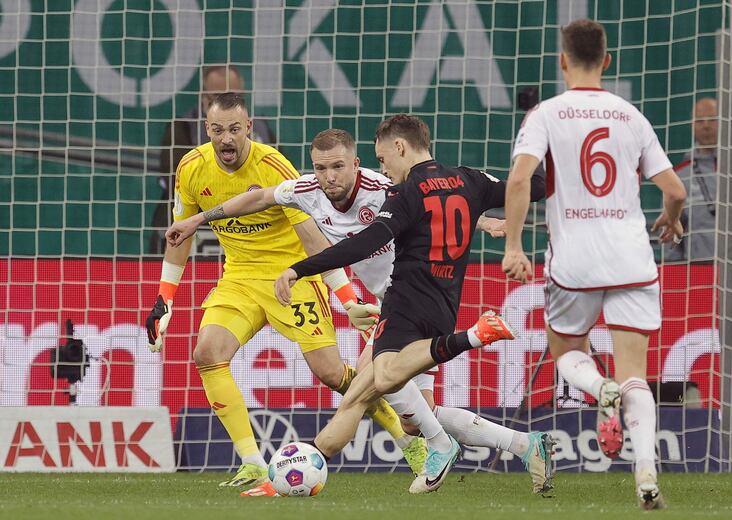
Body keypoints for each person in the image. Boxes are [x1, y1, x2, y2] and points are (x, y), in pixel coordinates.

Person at [166, 128, 552, 494]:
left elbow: (428, 208)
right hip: (393, 304)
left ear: (357, 164)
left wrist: (481, 220)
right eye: (320, 168)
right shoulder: (307, 190)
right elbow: (259, 198)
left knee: (372, 384)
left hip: (413, 300)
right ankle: (523, 444)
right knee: (415, 414)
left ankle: (435, 444)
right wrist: (198, 219)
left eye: (338, 167)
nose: (329, 177)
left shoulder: (385, 188)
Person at [145, 93, 411, 495]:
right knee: (207, 354)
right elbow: (180, 234)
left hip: (292, 277)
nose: (226, 138)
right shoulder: (191, 168)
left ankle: (410, 441)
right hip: (238, 278)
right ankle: (252, 463)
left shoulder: (272, 167)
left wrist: (348, 300)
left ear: (249, 127)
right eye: (217, 130)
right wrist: (165, 298)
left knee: (331, 373)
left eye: (235, 129)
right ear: (207, 130)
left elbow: (314, 239)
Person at [501, 19, 687, 510]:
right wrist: (670, 220)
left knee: (566, 352)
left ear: (563, 61)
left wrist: (514, 245)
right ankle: (646, 476)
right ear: (607, 61)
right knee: (637, 377)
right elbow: (675, 190)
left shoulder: (546, 113)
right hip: (632, 257)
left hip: (574, 260)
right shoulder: (631, 115)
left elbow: (520, 180)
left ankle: (596, 387)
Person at [150, 65, 276, 254]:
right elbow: (176, 182)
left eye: (232, 97)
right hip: (197, 230)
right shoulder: (183, 127)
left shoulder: (261, 127)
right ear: (203, 96)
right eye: (217, 97)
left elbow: (277, 184)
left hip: (251, 229)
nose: (225, 103)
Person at [663, 96, 732, 262]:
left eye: (712, 119)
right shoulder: (681, 175)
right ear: (692, 125)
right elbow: (671, 226)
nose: (706, 125)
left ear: (724, 122)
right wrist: (672, 266)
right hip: (698, 271)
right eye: (700, 120)